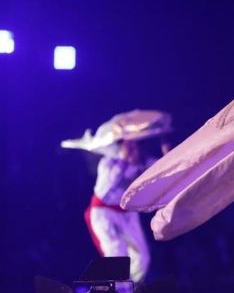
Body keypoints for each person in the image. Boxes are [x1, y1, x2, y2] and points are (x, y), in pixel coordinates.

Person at [63, 110, 171, 284]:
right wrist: (124, 162)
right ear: (121, 147)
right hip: (103, 212)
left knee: (142, 257)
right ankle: (116, 291)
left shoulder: (144, 162)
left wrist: (165, 145)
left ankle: (130, 289)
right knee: (116, 254)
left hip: (127, 213)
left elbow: (167, 168)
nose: (135, 149)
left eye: (137, 145)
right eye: (131, 146)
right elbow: (105, 191)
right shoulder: (109, 163)